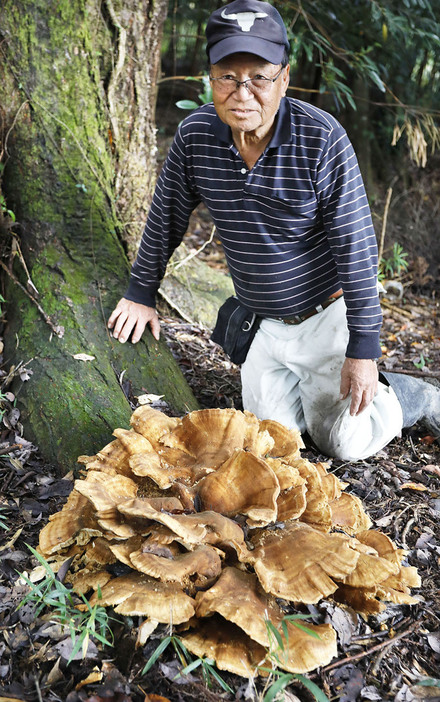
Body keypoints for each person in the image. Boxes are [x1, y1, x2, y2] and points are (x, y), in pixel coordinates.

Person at [108, 0, 440, 460]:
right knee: (270, 448)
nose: (242, 92)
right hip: (261, 325)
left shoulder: (320, 138)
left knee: (343, 444)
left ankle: (406, 395)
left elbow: (356, 246)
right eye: (228, 76)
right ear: (211, 78)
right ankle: (315, 398)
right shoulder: (195, 136)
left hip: (325, 319)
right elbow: (166, 215)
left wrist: (363, 349)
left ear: (283, 79)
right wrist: (141, 292)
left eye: (259, 77)